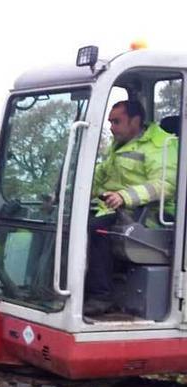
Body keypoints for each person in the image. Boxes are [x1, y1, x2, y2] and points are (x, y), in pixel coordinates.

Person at [84, 100, 178, 316]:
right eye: (110, 122)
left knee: (98, 230)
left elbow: (165, 185)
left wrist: (124, 197)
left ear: (135, 121)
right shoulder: (119, 146)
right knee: (68, 224)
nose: (111, 127)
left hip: (154, 214)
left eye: (117, 122)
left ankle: (101, 296)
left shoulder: (161, 145)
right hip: (116, 210)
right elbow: (98, 177)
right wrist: (72, 192)